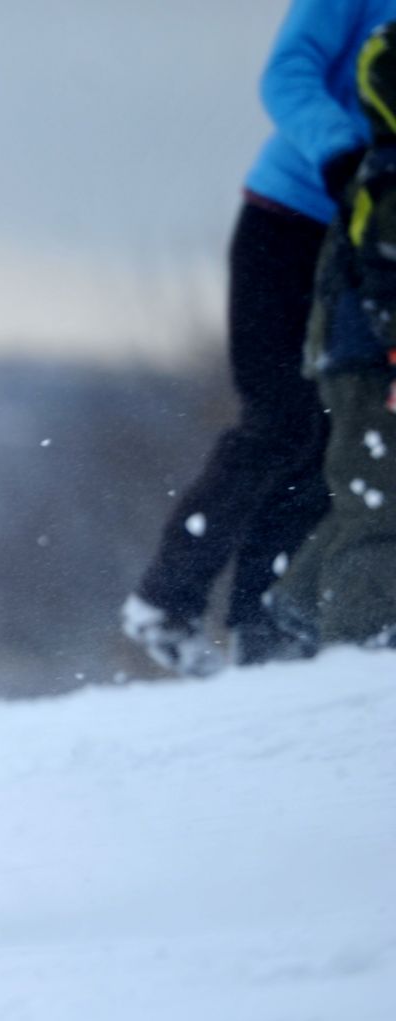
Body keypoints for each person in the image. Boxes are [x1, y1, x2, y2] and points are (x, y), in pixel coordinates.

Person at [123, 0, 396, 674]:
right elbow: (286, 73)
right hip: (289, 218)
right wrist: (343, 151)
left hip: (361, 240)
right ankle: (168, 597)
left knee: (326, 431)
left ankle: (261, 625)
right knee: (279, 417)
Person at [269, 21, 396, 649]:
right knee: (380, 504)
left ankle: (298, 602)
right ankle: (360, 650)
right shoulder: (387, 175)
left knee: (371, 489)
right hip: (373, 355)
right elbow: (383, 272)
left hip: (365, 349)